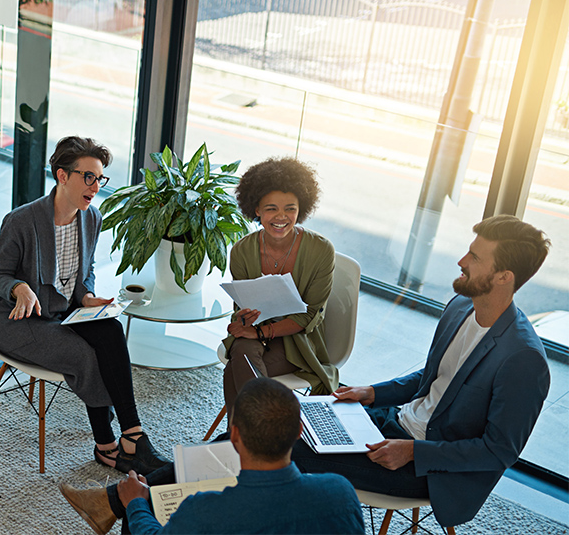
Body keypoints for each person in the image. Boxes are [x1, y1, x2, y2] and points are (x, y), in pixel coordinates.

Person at [293, 215, 552, 529]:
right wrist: (372, 393)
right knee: (280, 420)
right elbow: (433, 377)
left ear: (504, 277)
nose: (461, 261)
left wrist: (413, 452)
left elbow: (497, 452)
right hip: (395, 425)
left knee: (283, 451)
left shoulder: (523, 358)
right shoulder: (460, 306)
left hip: (430, 469)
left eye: (475, 257)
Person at [0, 136, 172, 477]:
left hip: (64, 309)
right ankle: (106, 445)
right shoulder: (21, 221)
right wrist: (21, 288)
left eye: (99, 178)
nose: (95, 186)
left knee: (111, 330)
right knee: (84, 355)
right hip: (20, 320)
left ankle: (132, 434)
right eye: (88, 177)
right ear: (62, 175)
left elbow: (84, 271)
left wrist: (87, 297)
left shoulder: (91, 218)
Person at [59, 378, 365, 535]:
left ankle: (118, 501)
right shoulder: (341, 494)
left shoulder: (203, 510)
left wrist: (137, 505)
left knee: (140, 513)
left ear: (234, 436)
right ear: (300, 431)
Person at [221, 157, 336, 427]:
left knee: (237, 368)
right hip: (255, 331)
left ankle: (240, 436)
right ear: (256, 209)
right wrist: (245, 321)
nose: (281, 217)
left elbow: (308, 317)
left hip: (297, 341)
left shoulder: (321, 251)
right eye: (271, 208)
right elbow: (242, 306)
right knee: (243, 354)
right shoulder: (242, 251)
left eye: (290, 209)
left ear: (302, 209)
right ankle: (264, 433)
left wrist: (261, 332)